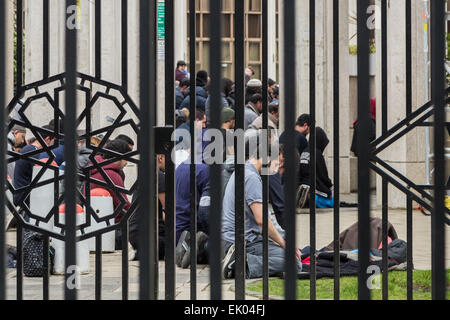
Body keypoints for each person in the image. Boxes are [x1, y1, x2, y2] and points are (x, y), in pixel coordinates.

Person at [221, 137, 303, 279]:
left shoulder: (245, 171)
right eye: (278, 164)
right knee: (295, 264)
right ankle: (242, 263)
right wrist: (284, 243)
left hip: (238, 238)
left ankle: (242, 261)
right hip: (243, 241)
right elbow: (262, 221)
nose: (277, 170)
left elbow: (267, 217)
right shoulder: (252, 178)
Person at [129, 153, 166, 260]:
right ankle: (141, 253)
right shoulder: (159, 176)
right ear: (160, 157)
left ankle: (140, 252)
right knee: (176, 244)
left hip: (134, 233)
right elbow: (167, 212)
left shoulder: (145, 175)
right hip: (149, 235)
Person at [175, 157, 210, 268]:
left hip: (178, 229)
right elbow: (205, 210)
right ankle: (199, 246)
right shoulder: (205, 170)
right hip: (196, 227)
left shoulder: (179, 167)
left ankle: (186, 244)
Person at [87, 139, 131, 224]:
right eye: (126, 158)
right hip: (112, 226)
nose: (127, 163)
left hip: (93, 223)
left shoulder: (95, 169)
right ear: (119, 156)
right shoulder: (112, 175)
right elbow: (123, 205)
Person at [13, 125, 56, 210]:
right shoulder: (35, 153)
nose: (53, 144)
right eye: (53, 141)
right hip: (27, 200)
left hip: (20, 195)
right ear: (47, 139)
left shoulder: (27, 149)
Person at [297, 127, 334, 209]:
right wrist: (331, 188)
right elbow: (323, 175)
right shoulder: (317, 153)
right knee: (333, 202)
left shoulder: (305, 151)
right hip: (315, 189)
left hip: (303, 188)